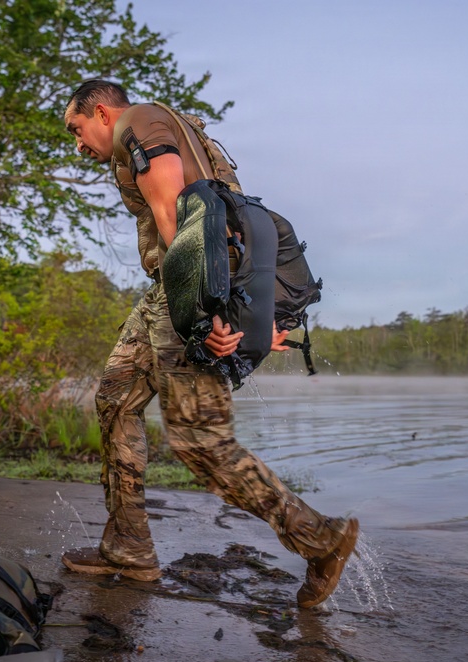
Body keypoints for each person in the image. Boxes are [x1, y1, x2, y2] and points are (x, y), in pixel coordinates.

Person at [60, 80, 358, 608]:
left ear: (102, 112)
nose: (78, 144)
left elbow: (179, 214)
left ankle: (319, 539)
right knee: (114, 399)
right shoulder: (172, 124)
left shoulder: (139, 124)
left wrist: (209, 314)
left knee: (200, 439)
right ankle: (128, 545)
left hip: (188, 296)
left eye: (77, 130)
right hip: (168, 293)